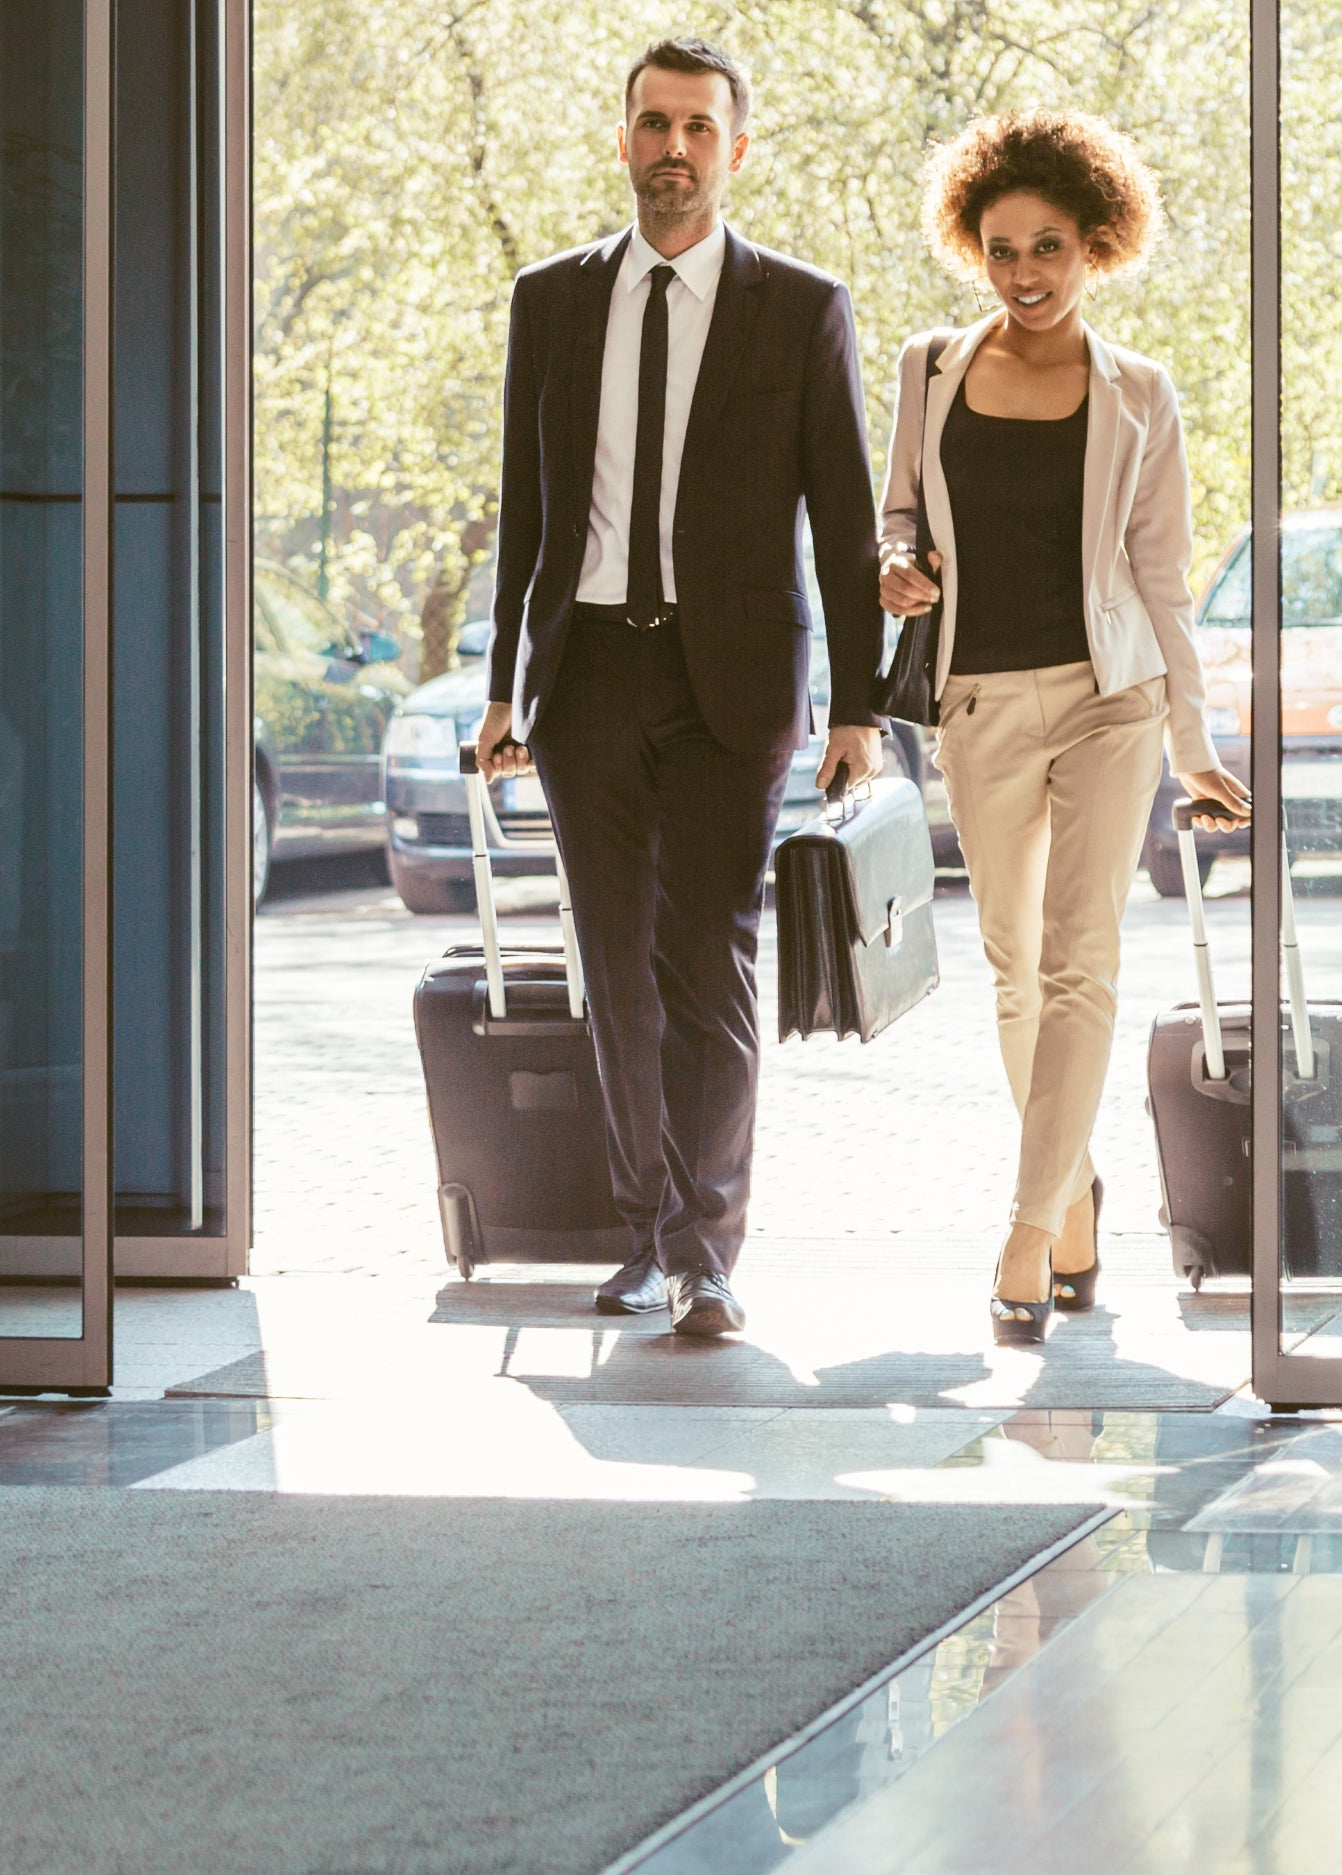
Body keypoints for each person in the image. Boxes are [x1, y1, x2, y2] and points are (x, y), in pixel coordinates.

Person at [476, 37, 886, 1337]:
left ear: (736, 148)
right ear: (623, 142)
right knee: (614, 964)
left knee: (707, 961)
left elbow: (845, 515)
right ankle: (643, 1233)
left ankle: (709, 1249)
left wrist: (861, 706)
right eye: (654, 125)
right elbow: (524, 508)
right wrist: (503, 687)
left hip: (733, 682)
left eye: (699, 128)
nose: (673, 149)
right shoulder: (550, 300)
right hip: (588, 670)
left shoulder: (798, 306)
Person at [876, 110, 1250, 1348]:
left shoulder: (1139, 393)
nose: (1025, 274)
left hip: (1111, 701)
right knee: (1014, 969)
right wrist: (897, 565)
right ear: (971, 248)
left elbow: (1161, 574)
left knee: (1080, 956)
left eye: (1049, 248)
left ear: (1096, 246)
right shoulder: (928, 369)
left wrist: (1191, 741)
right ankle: (1075, 1188)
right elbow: (899, 515)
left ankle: (1028, 1231)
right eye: (1001, 249)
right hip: (979, 704)